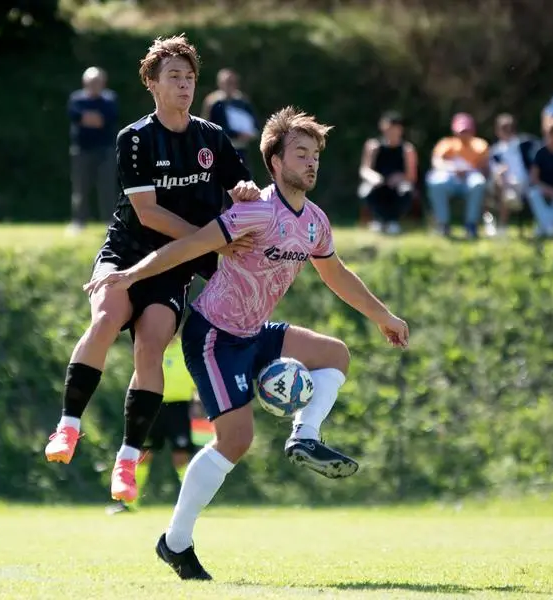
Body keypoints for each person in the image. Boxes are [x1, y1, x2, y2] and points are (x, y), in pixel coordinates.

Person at [89, 106, 409, 580]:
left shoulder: (315, 221)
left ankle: (305, 436)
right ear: (275, 162)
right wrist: (132, 273)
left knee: (335, 354)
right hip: (214, 334)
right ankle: (176, 542)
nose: (311, 162)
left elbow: (335, 274)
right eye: (300, 153)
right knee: (236, 440)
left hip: (255, 332)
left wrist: (383, 315)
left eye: (315, 153)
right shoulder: (253, 210)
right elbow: (190, 246)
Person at [44, 35, 261, 508]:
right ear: (152, 84)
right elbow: (148, 213)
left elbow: (240, 185)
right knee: (105, 320)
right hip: (126, 254)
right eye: (174, 78)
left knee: (152, 344)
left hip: (172, 267)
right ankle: (68, 426)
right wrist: (207, 240)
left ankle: (126, 460)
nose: (184, 86)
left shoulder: (211, 138)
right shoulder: (135, 138)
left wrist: (244, 188)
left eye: (189, 78)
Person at [107, 334, 213, 515]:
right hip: (152, 406)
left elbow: (197, 380)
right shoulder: (152, 347)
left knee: (181, 456)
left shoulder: (185, 349)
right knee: (142, 454)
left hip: (179, 409)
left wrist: (198, 403)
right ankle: (129, 502)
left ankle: (195, 502)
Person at [67, 67, 120, 233]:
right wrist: (94, 119)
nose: (94, 85)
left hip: (105, 150)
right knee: (80, 188)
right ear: (85, 82)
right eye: (91, 82)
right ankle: (79, 221)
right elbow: (76, 116)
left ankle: (110, 221)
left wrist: (88, 118)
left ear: (103, 83)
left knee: (107, 187)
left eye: (97, 82)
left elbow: (107, 119)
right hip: (81, 150)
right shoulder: (76, 99)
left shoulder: (110, 99)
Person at [358, 111, 418, 235]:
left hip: (398, 185)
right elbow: (364, 170)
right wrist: (373, 177)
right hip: (378, 184)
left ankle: (393, 221)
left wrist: (400, 177)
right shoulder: (373, 146)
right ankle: (378, 220)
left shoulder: (407, 149)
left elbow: (412, 176)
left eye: (395, 128)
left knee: (406, 190)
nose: (391, 132)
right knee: (366, 191)